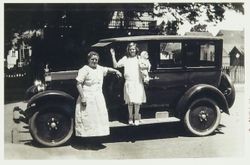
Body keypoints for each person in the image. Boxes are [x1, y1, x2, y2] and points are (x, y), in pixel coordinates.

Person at [75, 51, 122, 137]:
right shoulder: (84, 69)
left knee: (98, 119)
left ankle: (96, 139)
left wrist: (116, 71)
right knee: (89, 119)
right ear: (88, 60)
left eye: (96, 59)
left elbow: (108, 69)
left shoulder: (99, 68)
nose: (94, 61)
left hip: (98, 97)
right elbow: (78, 84)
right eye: (92, 59)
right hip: (88, 97)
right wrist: (83, 97)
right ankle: (87, 140)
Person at [110, 42, 146, 126]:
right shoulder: (125, 59)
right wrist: (113, 55)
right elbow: (116, 65)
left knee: (137, 101)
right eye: (130, 49)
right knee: (130, 101)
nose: (132, 51)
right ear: (128, 50)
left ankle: (136, 118)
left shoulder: (139, 58)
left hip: (137, 82)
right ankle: (130, 117)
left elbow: (147, 65)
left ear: (136, 49)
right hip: (129, 83)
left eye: (133, 49)